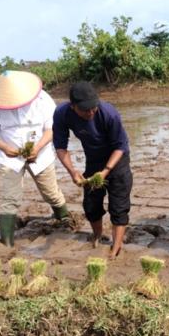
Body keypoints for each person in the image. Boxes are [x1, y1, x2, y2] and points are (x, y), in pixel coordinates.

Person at [0, 70, 71, 247]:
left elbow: (51, 128)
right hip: (10, 157)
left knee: (50, 193)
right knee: (10, 198)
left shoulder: (43, 99)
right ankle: (6, 242)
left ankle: (64, 219)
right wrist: (4, 147)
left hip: (41, 153)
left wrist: (37, 148)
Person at [53, 81, 133, 257]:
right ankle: (97, 235)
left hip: (117, 160)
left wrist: (106, 171)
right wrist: (72, 171)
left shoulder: (109, 114)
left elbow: (120, 146)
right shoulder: (62, 114)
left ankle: (116, 247)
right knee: (91, 204)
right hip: (93, 160)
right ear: (73, 106)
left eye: (93, 108)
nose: (90, 112)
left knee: (119, 206)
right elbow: (60, 147)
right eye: (85, 110)